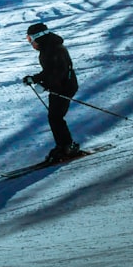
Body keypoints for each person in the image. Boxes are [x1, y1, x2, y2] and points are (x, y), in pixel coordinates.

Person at [22, 22, 80, 162]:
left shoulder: (53, 50)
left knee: (55, 118)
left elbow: (58, 73)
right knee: (55, 117)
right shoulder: (49, 48)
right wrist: (34, 79)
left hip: (64, 87)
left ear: (39, 37)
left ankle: (67, 147)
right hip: (61, 86)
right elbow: (49, 72)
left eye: (30, 39)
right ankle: (65, 145)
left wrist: (44, 85)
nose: (30, 43)